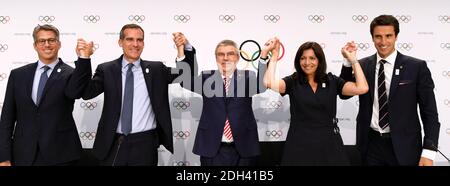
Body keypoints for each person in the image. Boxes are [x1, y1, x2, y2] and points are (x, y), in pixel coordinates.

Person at [72, 24, 194, 166]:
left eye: (139, 40)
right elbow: (85, 93)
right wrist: (84, 59)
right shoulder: (107, 69)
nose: (135, 44)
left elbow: (185, 76)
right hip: (112, 143)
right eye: (130, 39)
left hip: (145, 145)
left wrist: (183, 49)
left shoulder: (156, 69)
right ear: (120, 42)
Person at [340, 15, 440, 166]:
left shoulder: (416, 67)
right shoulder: (362, 65)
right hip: (370, 145)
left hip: (406, 147)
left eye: (388, 36)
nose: (383, 42)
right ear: (372, 38)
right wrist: (348, 62)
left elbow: (430, 112)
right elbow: (343, 94)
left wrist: (429, 151)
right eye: (378, 36)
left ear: (396, 36)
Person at [264, 38, 368, 165]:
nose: (307, 62)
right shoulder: (293, 81)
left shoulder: (332, 81)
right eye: (303, 58)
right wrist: (274, 56)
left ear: (319, 60)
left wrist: (353, 60)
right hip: (299, 146)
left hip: (330, 146)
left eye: (312, 58)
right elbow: (269, 82)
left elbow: (362, 88)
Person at [176, 36, 272, 166]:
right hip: (211, 148)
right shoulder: (206, 77)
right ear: (216, 58)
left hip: (243, 148)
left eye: (230, 54)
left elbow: (262, 85)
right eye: (221, 54)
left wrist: (264, 55)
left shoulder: (248, 77)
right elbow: (184, 80)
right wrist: (183, 49)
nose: (225, 58)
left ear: (237, 58)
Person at [0, 24, 85, 166]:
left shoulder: (71, 74)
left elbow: (76, 92)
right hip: (23, 154)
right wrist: (3, 157)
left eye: (52, 40)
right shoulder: (18, 75)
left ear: (59, 44)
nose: (47, 45)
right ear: (35, 45)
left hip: (61, 154)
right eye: (42, 41)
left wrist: (83, 59)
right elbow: (7, 119)